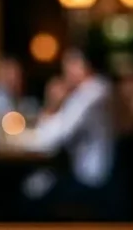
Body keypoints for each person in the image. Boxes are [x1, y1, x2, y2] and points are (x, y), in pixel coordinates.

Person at [7, 45, 125, 220]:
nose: (65, 71)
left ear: (83, 65)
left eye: (69, 64)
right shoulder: (99, 89)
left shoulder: (91, 93)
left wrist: (52, 103)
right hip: (94, 175)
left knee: (29, 195)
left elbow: (52, 139)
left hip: (92, 180)